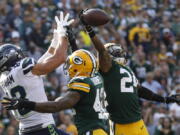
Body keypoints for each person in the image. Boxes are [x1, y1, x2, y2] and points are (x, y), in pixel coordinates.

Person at [78, 9, 180, 135]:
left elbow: (141, 91)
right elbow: (101, 51)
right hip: (121, 125)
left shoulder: (126, 69)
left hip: (138, 122)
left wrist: (164, 99)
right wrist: (89, 29)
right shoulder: (107, 68)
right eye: (115, 51)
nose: (119, 53)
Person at [2, 49, 109, 135]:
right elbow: (85, 64)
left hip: (90, 131)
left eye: (71, 64)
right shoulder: (96, 77)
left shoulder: (3, 79)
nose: (69, 68)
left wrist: (24, 103)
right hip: (100, 129)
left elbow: (56, 106)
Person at [0, 12, 74, 135]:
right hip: (42, 129)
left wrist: (55, 39)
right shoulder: (23, 67)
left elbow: (42, 61)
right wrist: (63, 35)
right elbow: (60, 58)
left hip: (25, 130)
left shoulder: (4, 77)